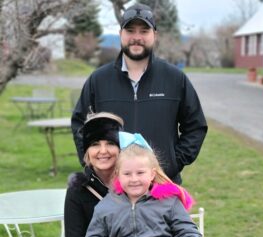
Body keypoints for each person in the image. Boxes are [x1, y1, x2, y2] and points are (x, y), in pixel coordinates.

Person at [71, 3, 208, 184]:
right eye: (130, 31)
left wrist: (173, 163)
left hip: (162, 185)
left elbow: (195, 126)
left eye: (144, 31)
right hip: (111, 188)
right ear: (121, 34)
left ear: (154, 35)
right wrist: (93, 165)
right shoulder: (99, 80)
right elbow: (81, 124)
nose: (137, 37)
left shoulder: (175, 78)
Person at [84, 132, 202, 237]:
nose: (134, 179)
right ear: (117, 174)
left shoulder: (169, 202)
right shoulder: (107, 206)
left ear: (152, 174)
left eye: (140, 173)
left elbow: (190, 235)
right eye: (127, 174)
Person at [64, 112, 124, 237]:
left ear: (121, 148)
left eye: (110, 143)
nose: (103, 151)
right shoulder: (78, 191)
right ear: (87, 153)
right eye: (95, 144)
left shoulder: (137, 181)